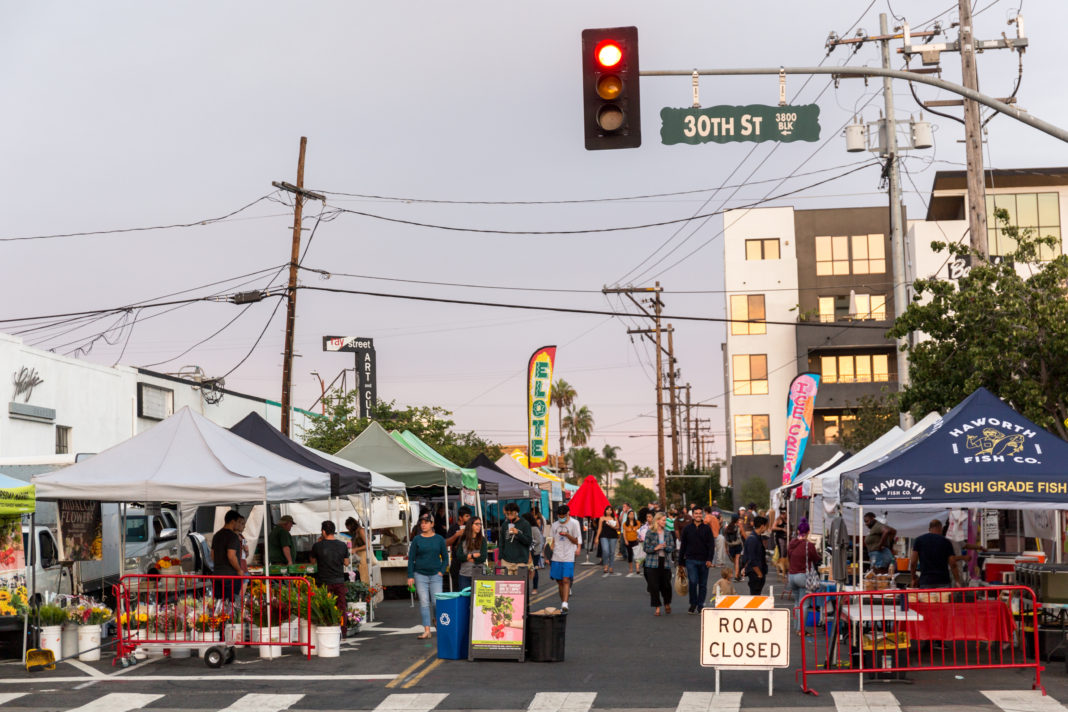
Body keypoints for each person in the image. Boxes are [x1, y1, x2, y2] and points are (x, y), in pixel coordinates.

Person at [406, 513, 448, 639]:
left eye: (426, 522)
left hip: (436, 575)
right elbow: (411, 559)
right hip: (420, 575)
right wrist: (410, 576)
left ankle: (436, 620)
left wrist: (441, 571)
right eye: (422, 523)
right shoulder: (417, 540)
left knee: (436, 602)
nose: (423, 525)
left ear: (432, 524)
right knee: (424, 602)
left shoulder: (439, 539)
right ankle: (427, 630)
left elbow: (445, 558)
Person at [311, 520, 350, 635]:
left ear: (323, 531)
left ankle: (326, 630)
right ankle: (342, 631)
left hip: (323, 582)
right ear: (334, 531)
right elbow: (346, 563)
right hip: (339, 580)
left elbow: (313, 561)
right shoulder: (342, 545)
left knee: (324, 606)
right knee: (341, 607)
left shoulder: (317, 546)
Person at [679, 507, 715, 614]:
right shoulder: (687, 529)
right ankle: (693, 603)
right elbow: (683, 546)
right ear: (693, 515)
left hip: (704, 561)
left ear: (702, 515)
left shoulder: (707, 529)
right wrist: (681, 562)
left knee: (703, 584)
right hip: (691, 560)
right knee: (693, 582)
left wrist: (709, 559)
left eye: (700, 513)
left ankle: (700, 605)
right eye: (696, 513)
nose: (698, 515)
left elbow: (711, 545)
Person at [787, 519, 821, 632]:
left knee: (797, 602)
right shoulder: (809, 545)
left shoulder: (791, 544)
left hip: (791, 576)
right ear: (808, 532)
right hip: (802, 577)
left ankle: (797, 627)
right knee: (805, 604)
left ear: (797, 531)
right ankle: (801, 630)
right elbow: (816, 559)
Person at [911, 519, 963, 589]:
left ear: (929, 529)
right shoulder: (946, 542)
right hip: (943, 582)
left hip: (926, 582)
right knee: (943, 599)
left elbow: (913, 563)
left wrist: (913, 578)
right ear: (941, 529)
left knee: (927, 600)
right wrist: (957, 581)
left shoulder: (919, 540)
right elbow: (953, 564)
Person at [642, 513, 676, 616]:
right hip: (652, 563)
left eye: (665, 520)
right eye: (663, 520)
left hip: (664, 562)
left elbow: (672, 547)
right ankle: (657, 607)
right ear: (657, 521)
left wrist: (665, 547)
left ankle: (667, 603)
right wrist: (655, 548)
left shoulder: (668, 533)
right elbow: (645, 548)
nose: (665, 522)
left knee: (666, 585)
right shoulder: (650, 533)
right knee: (654, 586)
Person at [549, 505, 581, 611]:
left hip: (568, 556)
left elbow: (576, 541)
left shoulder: (574, 523)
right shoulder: (554, 525)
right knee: (559, 581)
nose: (561, 518)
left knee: (566, 580)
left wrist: (567, 535)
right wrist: (547, 554)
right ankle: (563, 601)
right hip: (556, 556)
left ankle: (565, 604)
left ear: (568, 514)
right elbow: (550, 540)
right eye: (559, 516)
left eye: (563, 516)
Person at [212, 510, 244, 602]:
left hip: (217, 575)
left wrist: (219, 564)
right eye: (238, 522)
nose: (239, 525)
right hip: (230, 577)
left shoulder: (216, 535)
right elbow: (231, 555)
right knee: (230, 605)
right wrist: (239, 570)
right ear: (233, 522)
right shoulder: (233, 536)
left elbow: (212, 555)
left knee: (218, 604)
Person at [500, 503, 533, 576]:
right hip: (506, 560)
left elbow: (528, 541)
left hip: (521, 561)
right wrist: (500, 557)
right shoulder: (505, 524)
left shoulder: (525, 524)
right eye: (507, 514)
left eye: (511, 513)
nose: (509, 516)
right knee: (506, 585)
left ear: (517, 513)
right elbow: (502, 541)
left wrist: (518, 533)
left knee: (520, 585)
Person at [445, 506, 473, 591]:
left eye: (470, 516)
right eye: (467, 516)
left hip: (469, 561)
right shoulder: (453, 528)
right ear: (460, 517)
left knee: (469, 588)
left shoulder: (471, 527)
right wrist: (456, 535)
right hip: (457, 562)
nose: (469, 518)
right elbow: (446, 542)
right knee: (457, 588)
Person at [457, 516, 488, 591]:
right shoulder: (463, 539)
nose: (479, 526)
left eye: (480, 524)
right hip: (464, 574)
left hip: (479, 573)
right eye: (476, 524)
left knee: (478, 600)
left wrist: (467, 558)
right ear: (470, 525)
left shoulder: (482, 540)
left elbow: (483, 557)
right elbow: (459, 556)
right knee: (465, 599)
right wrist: (473, 555)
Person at [742, 516, 769, 596]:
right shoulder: (752, 539)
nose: (766, 528)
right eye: (766, 526)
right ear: (762, 526)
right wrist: (759, 574)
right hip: (755, 574)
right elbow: (752, 560)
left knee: (757, 596)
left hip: (758, 572)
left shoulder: (757, 537)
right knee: (755, 597)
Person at [595, 506, 620, 576]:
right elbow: (599, 528)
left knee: (612, 552)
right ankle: (605, 565)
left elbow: (618, 527)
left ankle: (611, 566)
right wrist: (597, 537)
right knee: (605, 551)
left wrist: (612, 526)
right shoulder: (602, 518)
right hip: (603, 536)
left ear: (612, 511)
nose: (609, 511)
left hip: (613, 536)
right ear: (605, 511)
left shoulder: (614, 518)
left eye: (610, 510)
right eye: (607, 510)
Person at [523, 512, 544, 594]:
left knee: (533, 569)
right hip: (526, 552)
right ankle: (526, 588)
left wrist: (529, 544)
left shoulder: (534, 529)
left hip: (534, 553)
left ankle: (535, 588)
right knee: (526, 570)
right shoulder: (525, 528)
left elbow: (538, 540)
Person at [344, 516, 367, 582]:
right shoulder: (356, 532)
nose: (348, 529)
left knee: (364, 576)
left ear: (351, 525)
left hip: (365, 556)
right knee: (361, 575)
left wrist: (355, 549)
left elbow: (368, 545)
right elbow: (353, 545)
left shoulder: (361, 531)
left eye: (348, 527)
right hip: (360, 556)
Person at [621, 510, 640, 576]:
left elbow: (640, 531)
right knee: (630, 555)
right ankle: (631, 568)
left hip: (635, 540)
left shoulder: (637, 523)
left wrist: (639, 538)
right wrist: (625, 540)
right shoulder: (625, 523)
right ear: (628, 516)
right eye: (630, 514)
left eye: (633, 514)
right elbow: (624, 533)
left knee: (637, 554)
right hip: (628, 541)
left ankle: (637, 568)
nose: (632, 515)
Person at [724, 516, 744, 581]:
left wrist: (726, 548)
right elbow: (743, 534)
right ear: (737, 520)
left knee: (735, 561)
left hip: (731, 546)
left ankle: (737, 574)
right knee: (737, 560)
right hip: (738, 545)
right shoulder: (738, 527)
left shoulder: (728, 527)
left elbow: (725, 539)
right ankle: (737, 576)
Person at [771, 510, 789, 577]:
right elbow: (773, 527)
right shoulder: (778, 519)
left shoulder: (787, 519)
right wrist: (781, 529)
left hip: (786, 538)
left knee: (785, 553)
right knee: (782, 553)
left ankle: (785, 568)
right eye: (784, 514)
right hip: (780, 538)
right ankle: (781, 569)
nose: (785, 515)